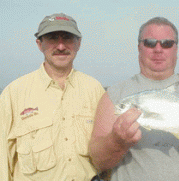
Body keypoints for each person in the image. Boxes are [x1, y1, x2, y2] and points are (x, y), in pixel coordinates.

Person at [89, 17, 179, 181]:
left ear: (176, 49)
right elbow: (98, 161)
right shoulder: (114, 95)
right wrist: (117, 141)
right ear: (139, 47)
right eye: (149, 42)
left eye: (166, 43)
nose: (158, 49)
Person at [0, 13, 105, 181]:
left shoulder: (95, 89)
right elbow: (2, 159)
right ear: (39, 44)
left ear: (79, 43)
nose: (61, 46)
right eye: (52, 38)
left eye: (68, 38)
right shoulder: (13, 93)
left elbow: (107, 154)